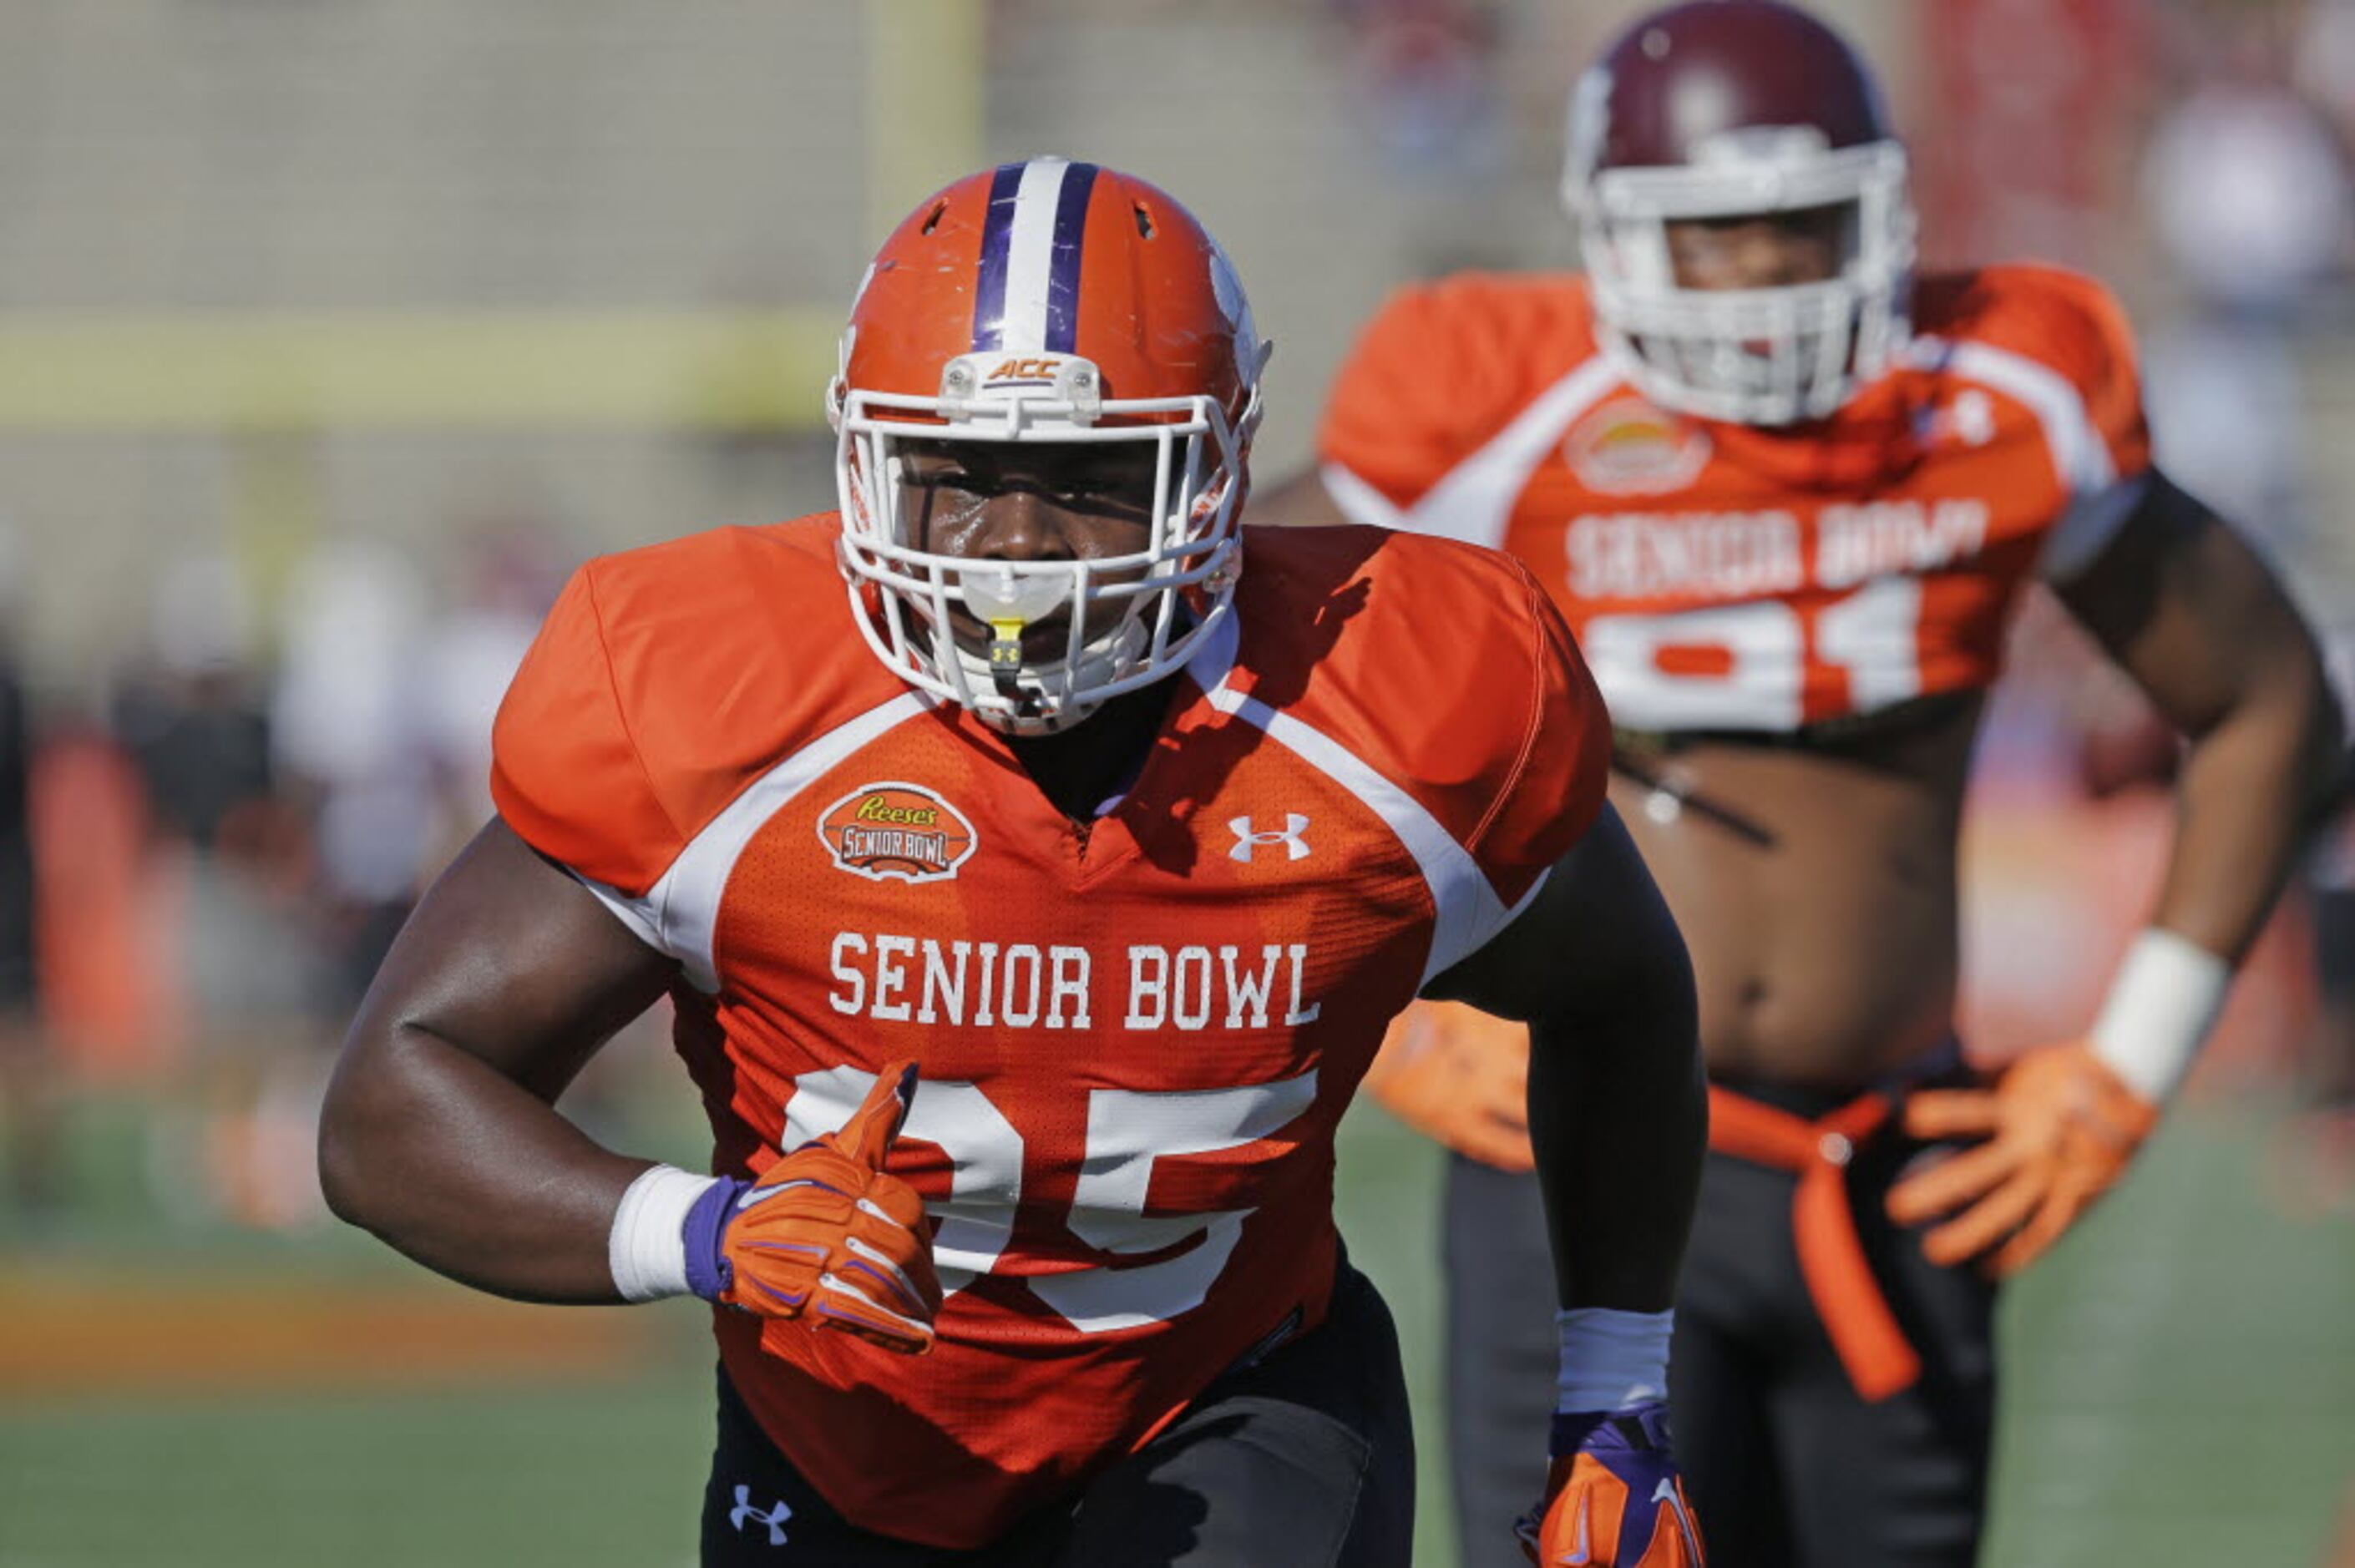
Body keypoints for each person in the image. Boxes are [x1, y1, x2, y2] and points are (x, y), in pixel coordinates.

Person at [317, 158, 1710, 1567]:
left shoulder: (1398, 706)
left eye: (1094, 478)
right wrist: (706, 1230)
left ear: (1222, 466)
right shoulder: (718, 707)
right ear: (867, 462)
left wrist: (1615, 1405)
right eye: (958, 475)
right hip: (846, 1441)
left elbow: (1624, 991)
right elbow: (393, 1101)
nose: (1017, 548)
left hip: (1231, 1397)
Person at [1253, 4, 2344, 1565]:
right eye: (1715, 238)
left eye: (1803, 230)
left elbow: (2262, 695)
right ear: (1614, 236)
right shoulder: (1492, 398)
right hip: (1578, 1167)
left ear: (1889, 216)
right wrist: (1391, 1023)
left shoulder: (2001, 394)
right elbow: (1221, 689)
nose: (1766, 283)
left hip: (1894, 1160)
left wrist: (2126, 1066)